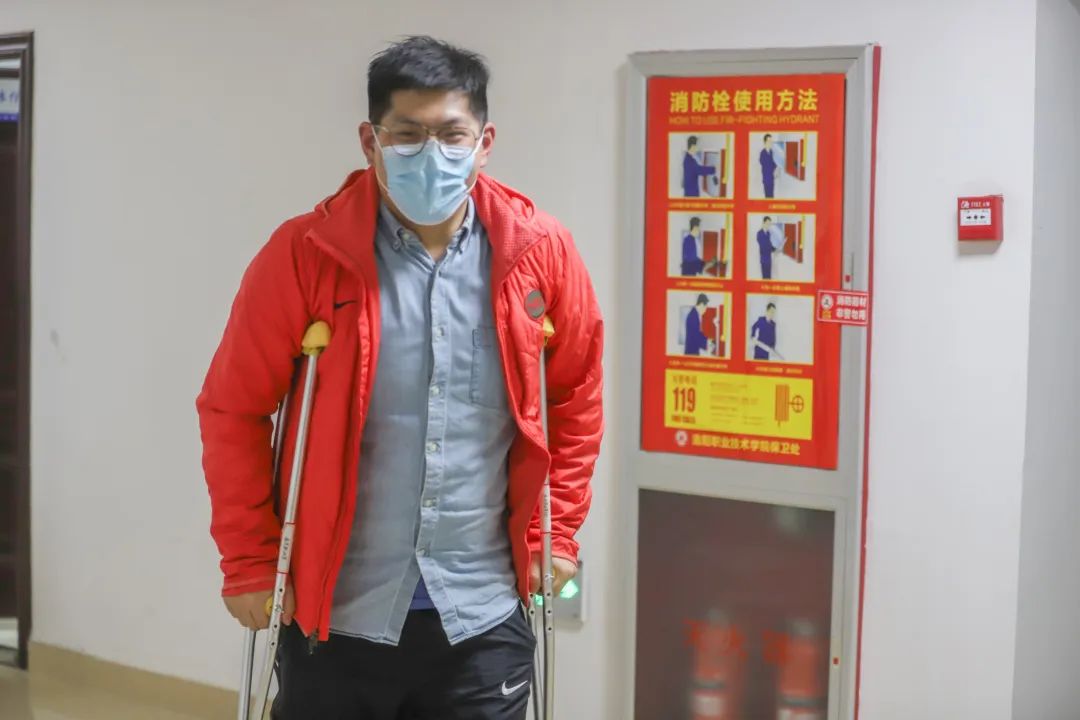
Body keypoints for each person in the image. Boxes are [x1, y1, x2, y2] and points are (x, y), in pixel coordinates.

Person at [196, 36, 604, 720]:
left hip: (481, 614)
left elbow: (574, 398)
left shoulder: (540, 255)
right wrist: (248, 559)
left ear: (484, 142)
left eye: (452, 134)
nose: (431, 153)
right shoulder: (305, 256)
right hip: (338, 614)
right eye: (407, 134)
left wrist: (555, 535)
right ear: (371, 141)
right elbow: (233, 410)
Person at [759, 134, 780, 198]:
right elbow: (765, 165)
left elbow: (774, 163)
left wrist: (777, 169)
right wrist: (773, 168)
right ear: (765, 142)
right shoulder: (762, 153)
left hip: (771, 179)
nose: (770, 142)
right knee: (767, 197)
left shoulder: (772, 152)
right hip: (766, 179)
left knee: (771, 196)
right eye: (769, 141)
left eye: (771, 141)